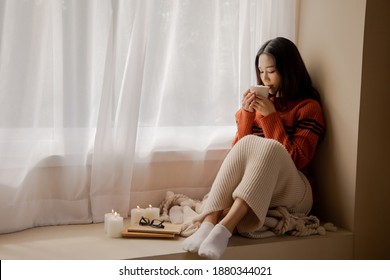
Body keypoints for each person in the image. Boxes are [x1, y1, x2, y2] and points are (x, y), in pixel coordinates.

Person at [181, 37, 326, 259]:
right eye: (260, 72)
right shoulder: (260, 105)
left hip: (297, 191)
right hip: (265, 186)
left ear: (289, 71)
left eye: (271, 71)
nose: (264, 79)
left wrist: (271, 118)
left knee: (269, 148)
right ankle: (209, 226)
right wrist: (247, 116)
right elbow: (239, 157)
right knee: (250, 143)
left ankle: (225, 228)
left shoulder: (308, 108)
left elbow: (297, 159)